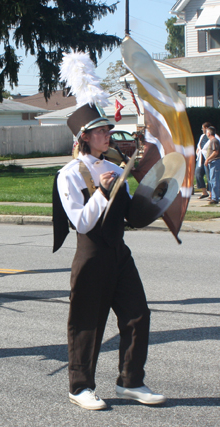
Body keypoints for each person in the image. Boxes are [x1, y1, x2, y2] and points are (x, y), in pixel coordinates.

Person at [53, 103, 166, 410]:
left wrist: (157, 192)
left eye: (108, 130)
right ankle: (80, 387)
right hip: (91, 256)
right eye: (101, 131)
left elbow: (132, 216)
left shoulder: (116, 168)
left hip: (119, 252)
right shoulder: (69, 175)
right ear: (85, 137)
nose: (108, 135)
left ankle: (130, 382)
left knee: (138, 315)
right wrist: (102, 193)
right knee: (87, 323)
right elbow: (81, 222)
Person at [195, 122, 211, 199]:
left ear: (207, 128)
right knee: (198, 174)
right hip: (201, 158)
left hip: (209, 158)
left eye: (203, 128)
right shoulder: (202, 136)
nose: (202, 129)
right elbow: (199, 145)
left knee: (209, 176)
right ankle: (204, 192)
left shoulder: (214, 137)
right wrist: (197, 150)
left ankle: (211, 194)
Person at [205, 126, 220, 205]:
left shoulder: (214, 141)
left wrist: (207, 159)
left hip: (215, 162)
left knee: (214, 180)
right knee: (213, 180)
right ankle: (215, 196)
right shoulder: (212, 141)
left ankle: (215, 198)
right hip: (213, 162)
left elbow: (216, 152)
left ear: (209, 133)